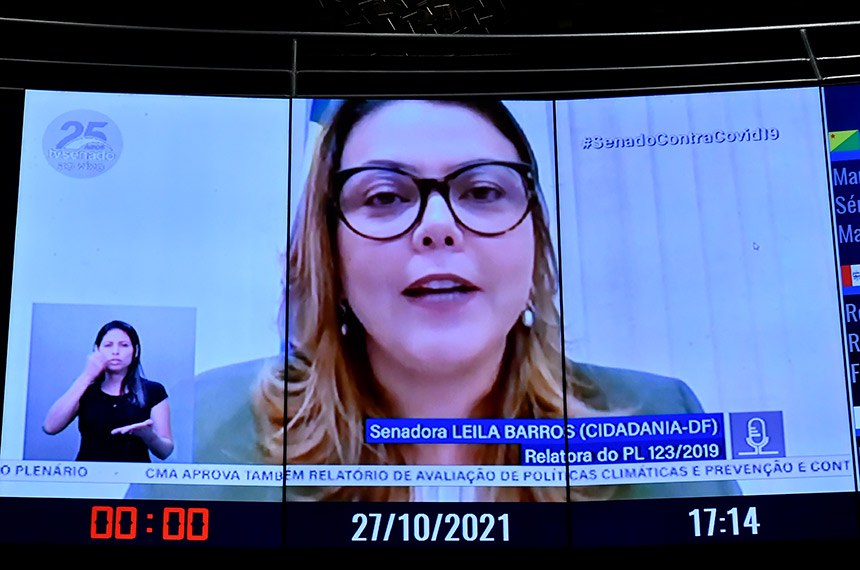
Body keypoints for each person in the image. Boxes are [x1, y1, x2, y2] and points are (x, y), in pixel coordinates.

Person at [248, 98, 742, 502]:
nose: (437, 227)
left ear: (535, 245)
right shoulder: (214, 433)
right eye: (384, 197)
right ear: (328, 253)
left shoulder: (661, 418)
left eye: (482, 191)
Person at [43, 319, 174, 462]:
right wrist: (87, 376)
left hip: (134, 474)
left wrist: (148, 436)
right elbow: (50, 427)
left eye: (124, 345)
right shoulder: (84, 388)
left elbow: (165, 451)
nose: (115, 352)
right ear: (97, 350)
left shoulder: (153, 391)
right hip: (90, 473)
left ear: (135, 351)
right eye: (108, 345)